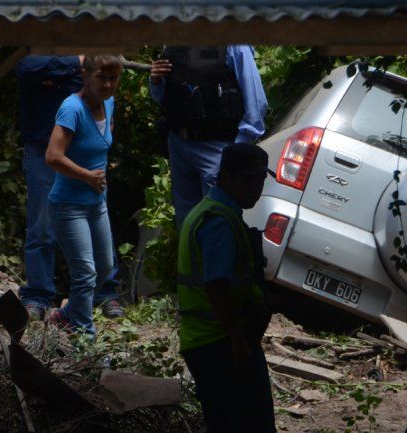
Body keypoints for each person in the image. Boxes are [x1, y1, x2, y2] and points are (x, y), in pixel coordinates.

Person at [177, 143, 275, 433]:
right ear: (226, 178)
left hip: (211, 341)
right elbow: (217, 286)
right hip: (219, 343)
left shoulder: (212, 212)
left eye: (261, 180)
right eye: (249, 180)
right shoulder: (218, 221)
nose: (257, 188)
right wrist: (239, 342)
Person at [16, 55, 123, 320]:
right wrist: (75, 61)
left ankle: (104, 295)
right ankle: (38, 297)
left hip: (85, 154)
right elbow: (26, 67)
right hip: (43, 149)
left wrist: (55, 74)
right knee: (41, 227)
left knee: (99, 235)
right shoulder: (39, 36)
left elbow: (102, 84)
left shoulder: (93, 50)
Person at [149, 46, 268, 226]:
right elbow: (161, 97)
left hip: (217, 147)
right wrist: (155, 81)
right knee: (187, 224)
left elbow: (256, 104)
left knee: (218, 221)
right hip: (179, 145)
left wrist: (234, 152)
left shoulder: (233, 43)